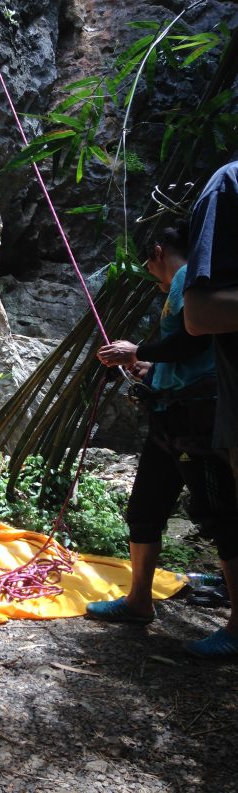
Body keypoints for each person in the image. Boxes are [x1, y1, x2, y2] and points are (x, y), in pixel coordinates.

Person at [84, 226, 238, 651]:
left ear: (157, 251)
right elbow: (180, 356)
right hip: (169, 418)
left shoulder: (190, 279)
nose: (152, 276)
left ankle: (237, 629)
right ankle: (138, 602)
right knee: (145, 509)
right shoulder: (186, 285)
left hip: (196, 422)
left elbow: (190, 343)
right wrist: (151, 370)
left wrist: (137, 352)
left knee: (221, 517)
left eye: (149, 265)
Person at [183, 160, 238, 657]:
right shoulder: (229, 184)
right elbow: (196, 321)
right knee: (215, 511)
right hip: (205, 408)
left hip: (195, 407)